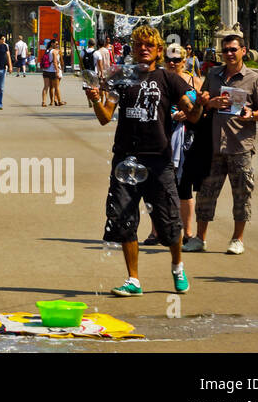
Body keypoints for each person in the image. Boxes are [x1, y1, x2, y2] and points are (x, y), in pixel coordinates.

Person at [85, 25, 202, 296]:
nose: (144, 48)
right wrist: (94, 99)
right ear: (133, 48)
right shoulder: (122, 77)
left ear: (159, 50)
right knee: (125, 219)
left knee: (170, 221)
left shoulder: (168, 79)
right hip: (125, 158)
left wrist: (201, 104)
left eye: (149, 45)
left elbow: (193, 115)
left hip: (159, 161)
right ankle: (133, 280)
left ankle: (177, 266)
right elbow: (105, 117)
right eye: (139, 44)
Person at [180, 34, 258, 255]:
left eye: (233, 49)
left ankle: (237, 239)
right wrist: (209, 101)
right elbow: (204, 102)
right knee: (206, 193)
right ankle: (200, 238)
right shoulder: (213, 74)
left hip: (240, 146)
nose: (229, 54)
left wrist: (251, 114)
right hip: (213, 145)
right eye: (226, 50)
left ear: (243, 51)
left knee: (242, 194)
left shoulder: (254, 79)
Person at [143, 43, 203, 246]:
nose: (172, 62)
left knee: (184, 187)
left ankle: (187, 233)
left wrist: (189, 113)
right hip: (160, 136)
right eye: (169, 59)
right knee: (155, 186)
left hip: (187, 140)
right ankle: (155, 231)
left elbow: (202, 108)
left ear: (184, 61)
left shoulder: (195, 81)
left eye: (177, 60)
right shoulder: (157, 79)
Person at [40, 40, 58, 107]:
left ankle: (44, 101)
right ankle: (56, 100)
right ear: (52, 44)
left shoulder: (47, 50)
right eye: (56, 44)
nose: (57, 45)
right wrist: (57, 71)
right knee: (55, 87)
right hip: (52, 71)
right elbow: (55, 62)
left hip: (45, 70)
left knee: (45, 87)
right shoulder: (54, 51)